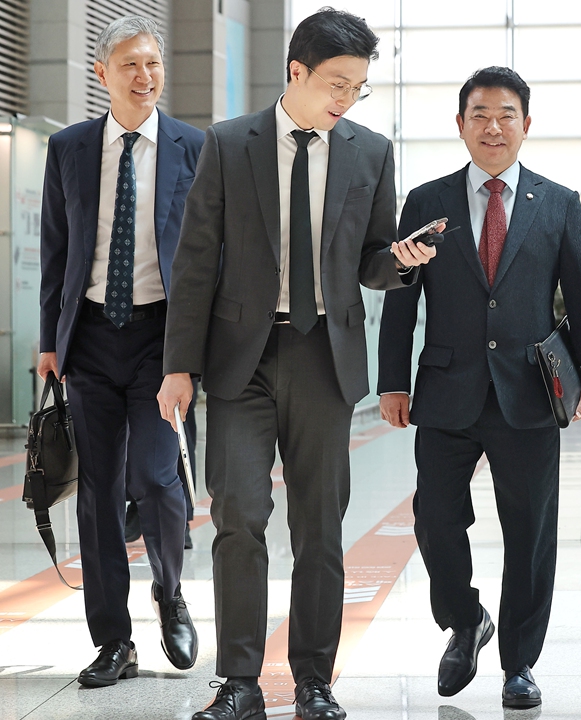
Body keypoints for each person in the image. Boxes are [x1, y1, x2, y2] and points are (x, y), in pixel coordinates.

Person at [156, 9, 436, 720]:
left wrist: (399, 263)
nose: (346, 98)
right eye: (337, 82)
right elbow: (195, 261)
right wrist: (178, 365)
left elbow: (373, 256)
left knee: (320, 526)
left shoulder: (369, 152)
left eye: (359, 87)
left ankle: (314, 679)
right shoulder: (229, 145)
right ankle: (241, 681)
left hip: (323, 357)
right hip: (240, 359)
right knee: (239, 515)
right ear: (296, 72)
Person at [376, 66, 581, 709]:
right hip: (446, 388)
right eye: (479, 114)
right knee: (435, 519)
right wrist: (392, 380)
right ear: (461, 125)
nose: (492, 126)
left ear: (527, 123)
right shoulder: (426, 201)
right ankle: (465, 620)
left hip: (530, 392)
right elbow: (399, 298)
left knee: (530, 531)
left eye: (505, 115)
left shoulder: (558, 203)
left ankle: (520, 662)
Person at [38, 15, 202, 688]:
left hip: (163, 340)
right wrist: (51, 340)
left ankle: (170, 592)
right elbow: (57, 248)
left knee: (159, 480)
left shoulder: (195, 147)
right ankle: (113, 640)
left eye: (154, 64)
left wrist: (191, 355)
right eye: (130, 64)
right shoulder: (71, 148)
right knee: (97, 494)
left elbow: (207, 258)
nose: (145, 76)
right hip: (92, 341)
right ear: (102, 73)